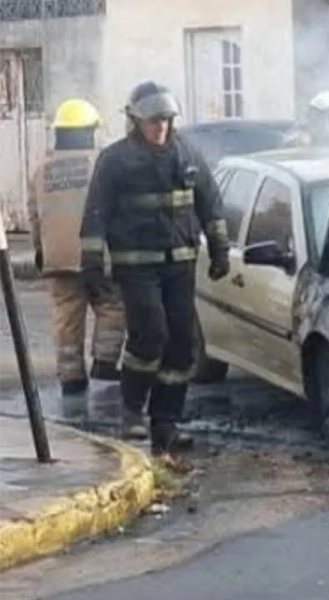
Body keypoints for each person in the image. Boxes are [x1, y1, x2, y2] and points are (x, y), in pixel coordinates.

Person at [79, 81, 231, 457]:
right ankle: (132, 410)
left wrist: (220, 249)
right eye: (153, 120)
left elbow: (210, 204)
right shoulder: (115, 161)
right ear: (135, 120)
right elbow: (96, 213)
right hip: (137, 267)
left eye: (166, 119)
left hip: (180, 263)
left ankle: (166, 423)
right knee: (150, 335)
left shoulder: (188, 154)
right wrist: (93, 263)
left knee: (182, 343)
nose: (160, 126)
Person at [27, 98, 125, 396]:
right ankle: (105, 362)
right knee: (112, 305)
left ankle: (71, 377)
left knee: (66, 316)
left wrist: (41, 251)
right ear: (90, 130)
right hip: (99, 255)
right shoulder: (104, 162)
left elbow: (34, 217)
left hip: (57, 256)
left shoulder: (42, 169)